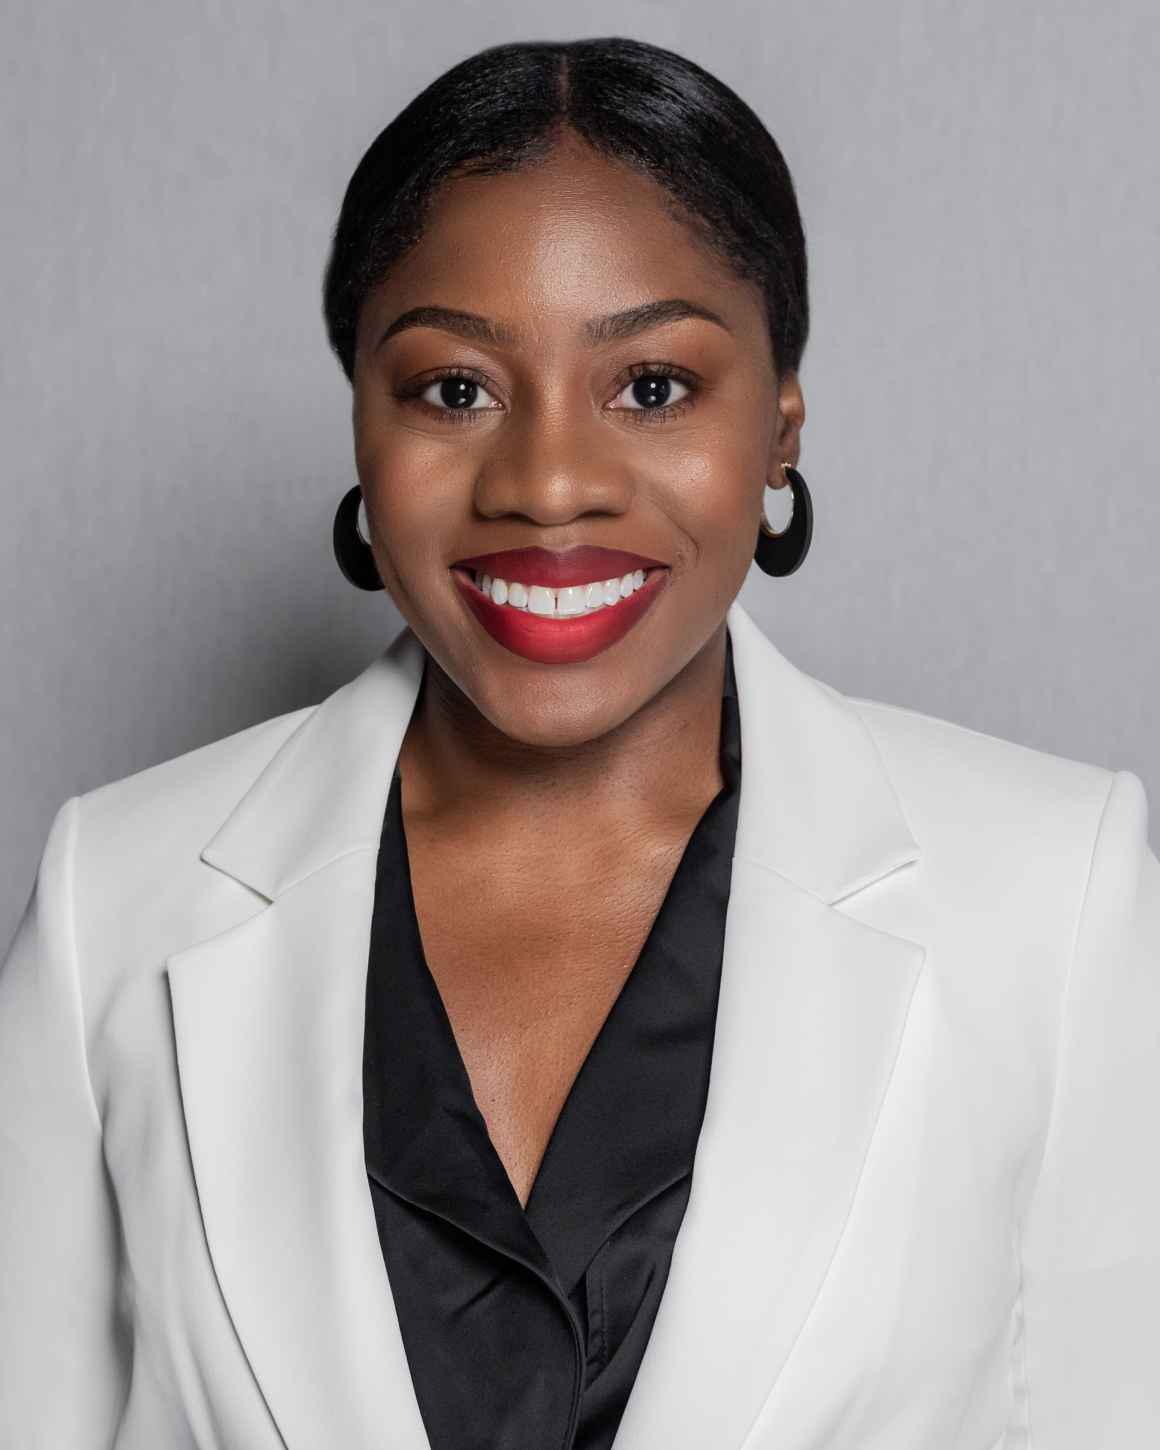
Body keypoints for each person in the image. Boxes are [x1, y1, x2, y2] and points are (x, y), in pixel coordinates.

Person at [1, 34, 1157, 1450]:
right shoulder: (111, 901)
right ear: (361, 419)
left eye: (653, 386)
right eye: (455, 389)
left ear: (780, 423)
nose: (548, 485)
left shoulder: (1057, 893)